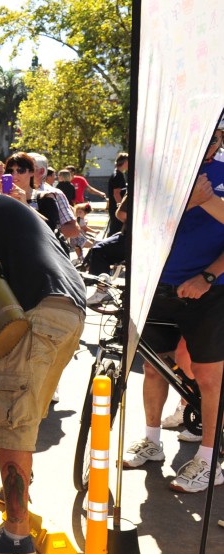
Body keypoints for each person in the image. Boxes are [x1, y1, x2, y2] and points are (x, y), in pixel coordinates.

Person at [0, 186, 85, 554]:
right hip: (69, 312)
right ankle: (18, 505)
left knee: (12, 422)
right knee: (22, 417)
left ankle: (16, 535)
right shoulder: (23, 215)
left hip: (37, 313)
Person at [122, 127, 224, 493]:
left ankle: (211, 461)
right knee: (154, 367)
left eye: (214, 137)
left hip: (211, 291)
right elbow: (127, 215)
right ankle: (152, 441)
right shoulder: (166, 168)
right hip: (160, 288)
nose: (207, 143)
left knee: (209, 377)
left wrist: (208, 276)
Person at [106, 152, 129, 235]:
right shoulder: (118, 176)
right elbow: (116, 193)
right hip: (116, 209)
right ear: (125, 162)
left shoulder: (118, 174)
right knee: (116, 230)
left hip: (114, 208)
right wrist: (120, 206)